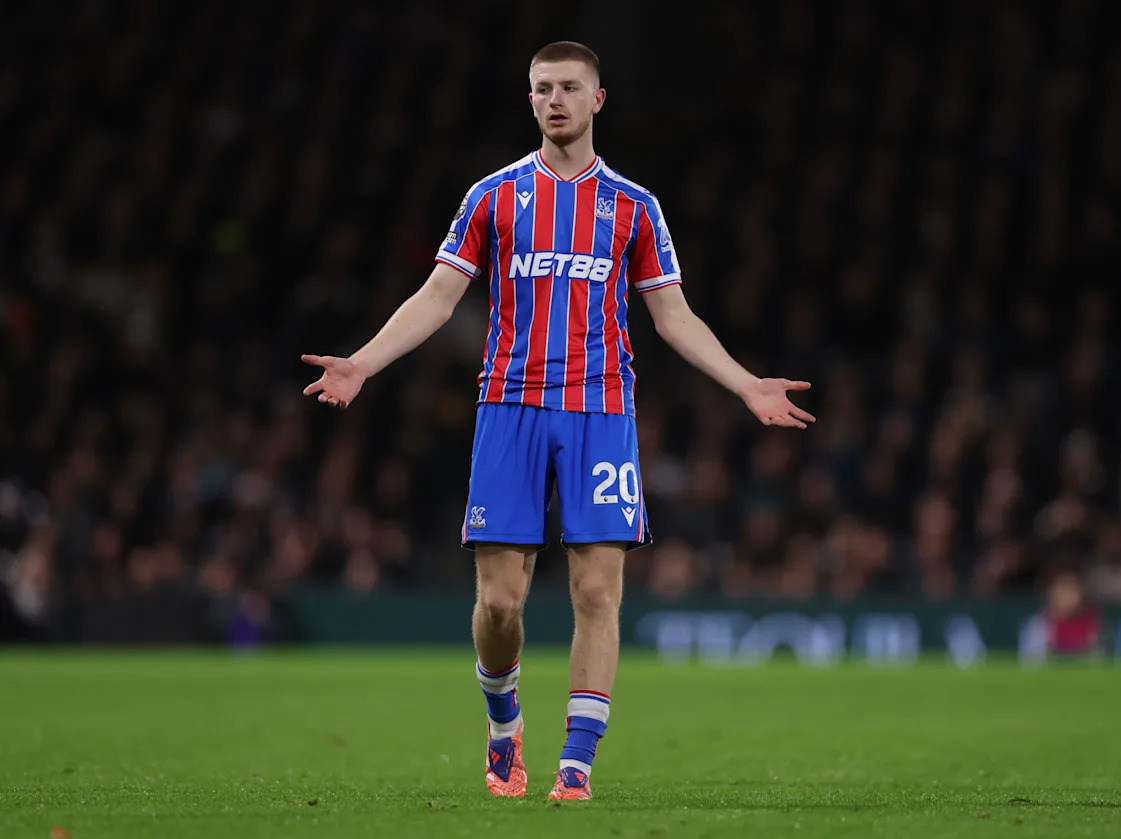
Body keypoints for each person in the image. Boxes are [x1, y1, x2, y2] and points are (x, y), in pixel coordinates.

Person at [300, 41, 816, 801]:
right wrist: (363, 363)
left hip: (600, 412)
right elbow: (438, 295)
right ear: (531, 100)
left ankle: (576, 762)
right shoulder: (493, 197)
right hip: (508, 408)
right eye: (543, 89)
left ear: (598, 99)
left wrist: (745, 384)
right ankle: (503, 722)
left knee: (597, 593)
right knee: (499, 601)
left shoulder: (634, 205)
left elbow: (672, 315)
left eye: (569, 88)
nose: (555, 100)